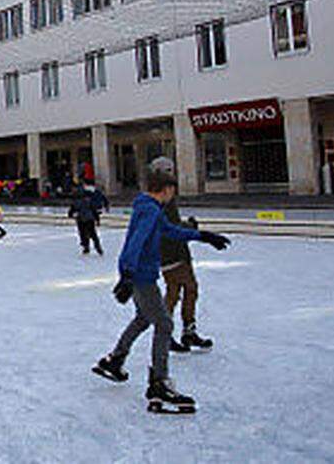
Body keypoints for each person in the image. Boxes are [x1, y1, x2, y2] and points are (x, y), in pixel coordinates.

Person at [91, 168, 231, 414]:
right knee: (164, 324)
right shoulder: (150, 210)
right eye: (172, 191)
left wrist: (202, 236)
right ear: (166, 189)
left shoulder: (150, 209)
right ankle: (159, 383)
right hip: (141, 276)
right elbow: (135, 243)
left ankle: (114, 360)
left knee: (144, 318)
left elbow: (172, 231)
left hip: (139, 273)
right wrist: (128, 276)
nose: (172, 195)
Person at [148, 157, 213, 353]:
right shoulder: (161, 197)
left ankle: (171, 332)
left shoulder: (163, 195)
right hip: (172, 253)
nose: (171, 173)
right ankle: (184, 331)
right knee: (189, 288)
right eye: (167, 170)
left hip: (172, 252)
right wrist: (190, 227)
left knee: (175, 292)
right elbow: (168, 227)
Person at [68, 178, 109, 255]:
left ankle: (86, 247)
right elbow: (93, 209)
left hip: (81, 218)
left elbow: (73, 207)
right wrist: (97, 219)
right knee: (92, 233)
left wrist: (70, 214)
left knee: (83, 233)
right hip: (88, 218)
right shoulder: (88, 198)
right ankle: (97, 247)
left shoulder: (78, 199)